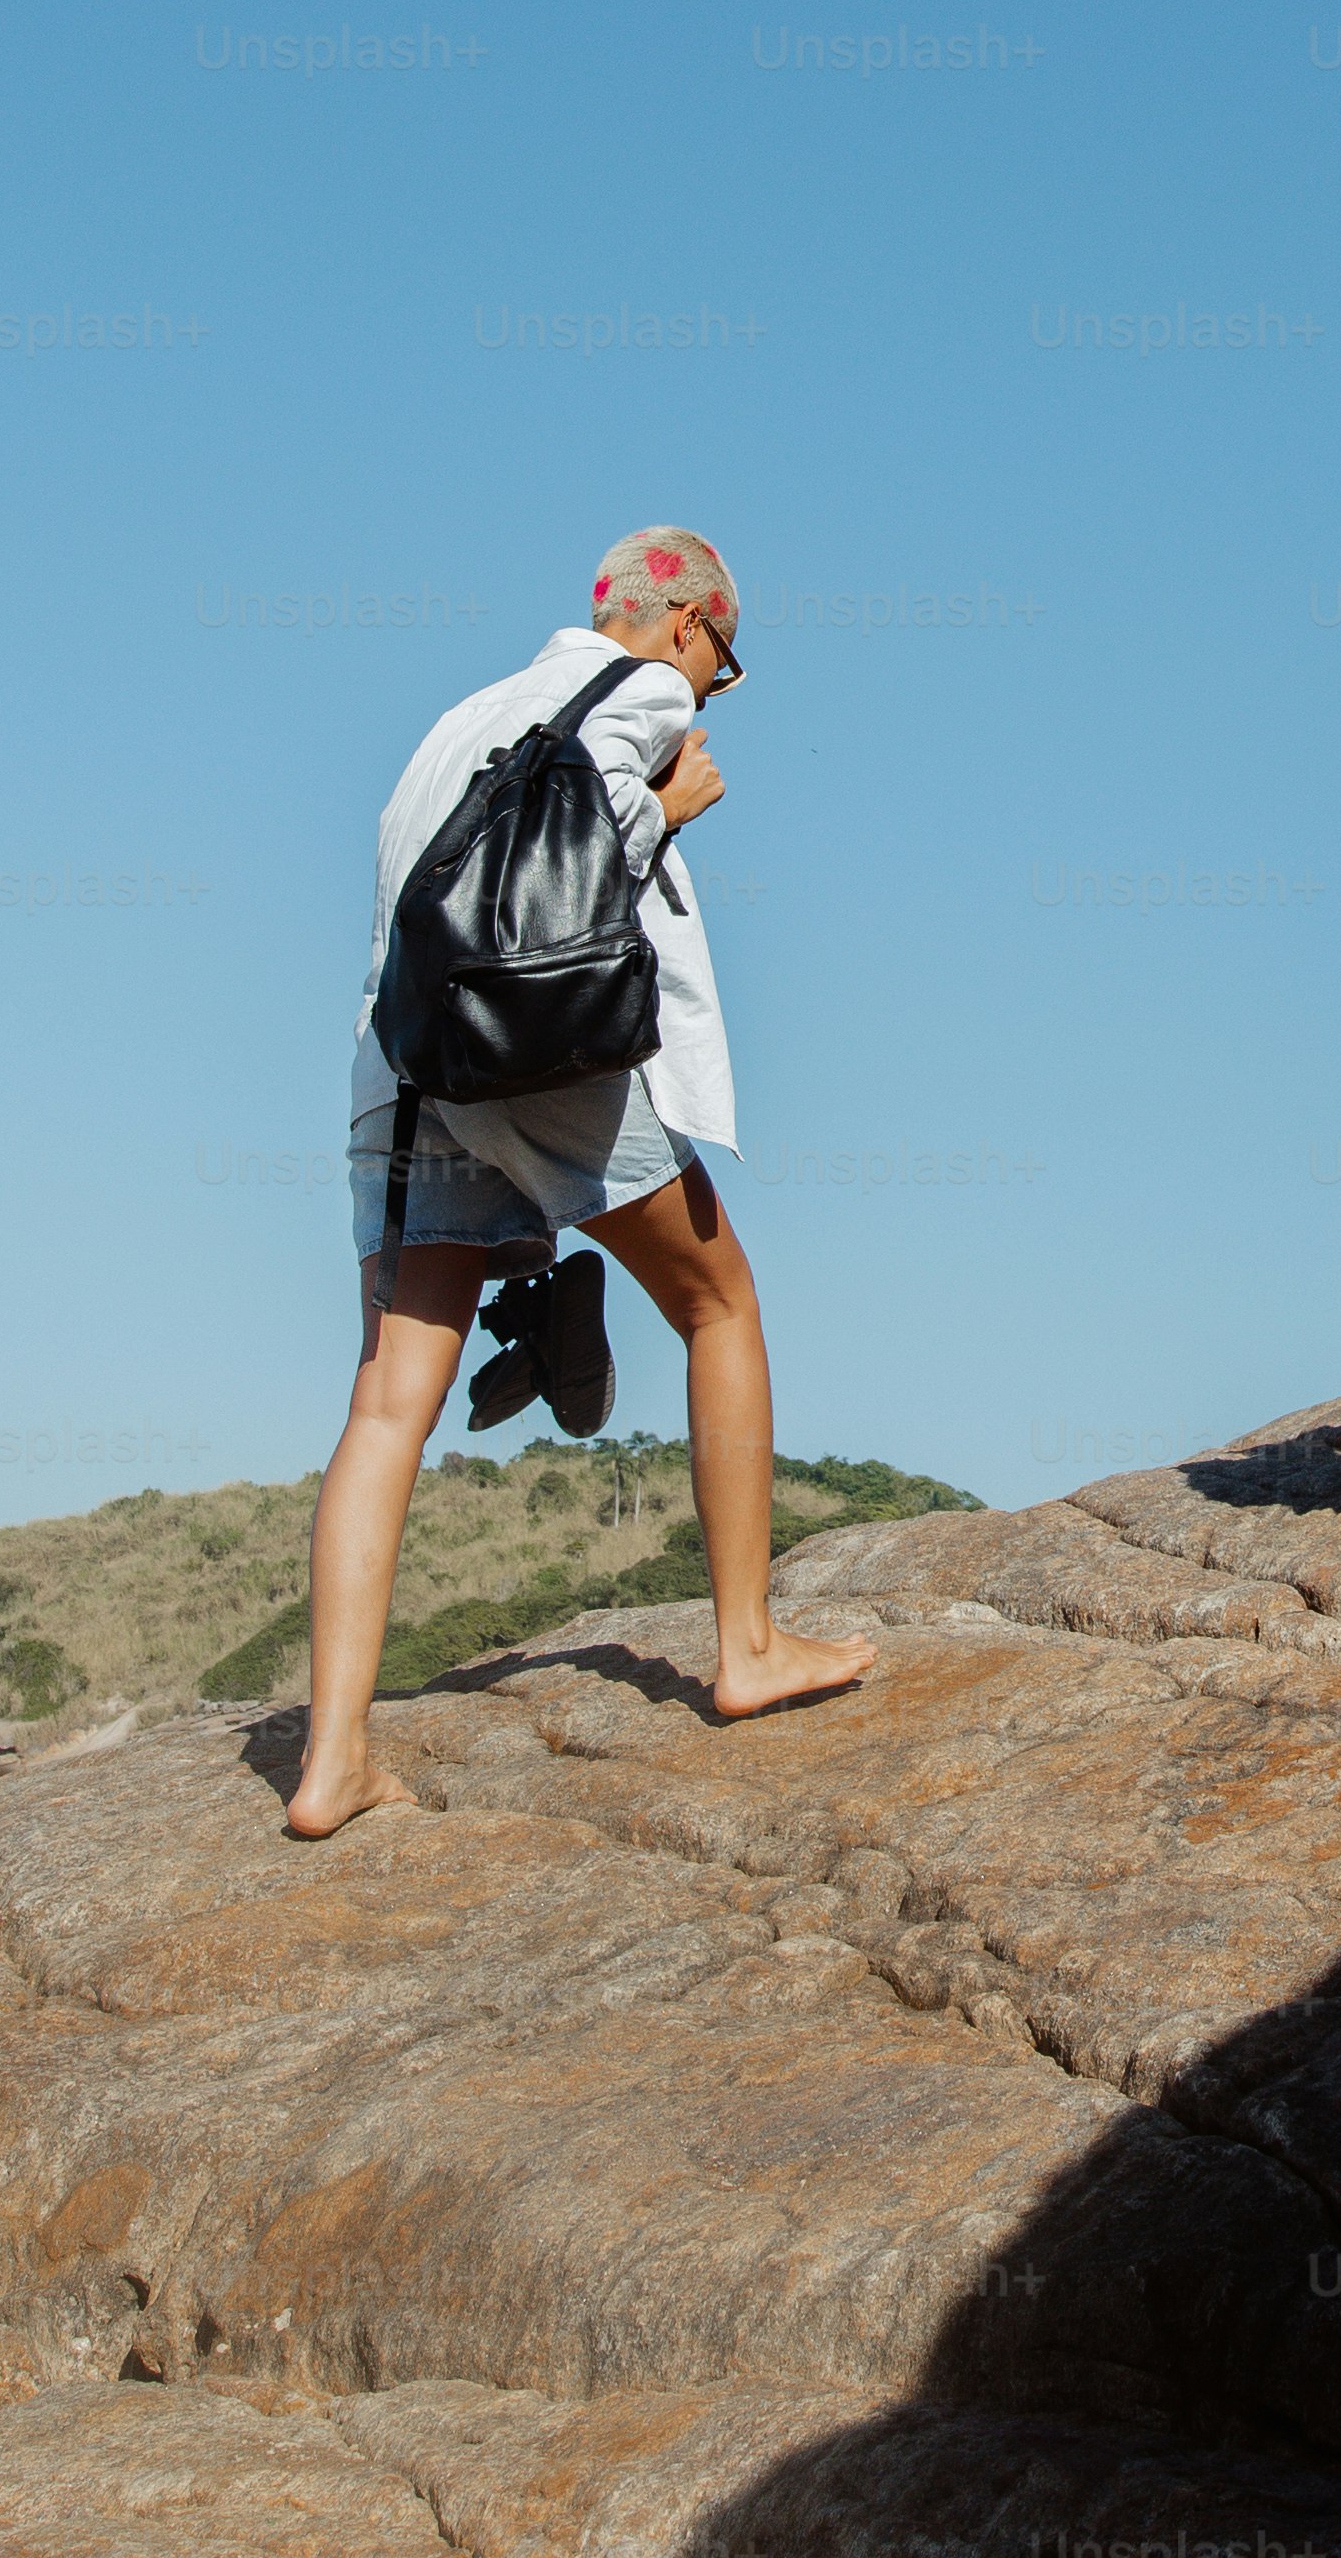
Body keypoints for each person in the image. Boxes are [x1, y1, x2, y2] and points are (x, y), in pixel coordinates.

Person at [284, 526, 878, 1839]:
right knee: (719, 1300)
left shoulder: (465, 716)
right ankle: (747, 1647)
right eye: (725, 658)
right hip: (536, 1054)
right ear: (683, 625)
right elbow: (592, 842)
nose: (716, 687)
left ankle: (331, 1762)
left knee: (388, 1401)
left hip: (405, 1063)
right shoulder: (643, 689)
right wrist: (667, 809)